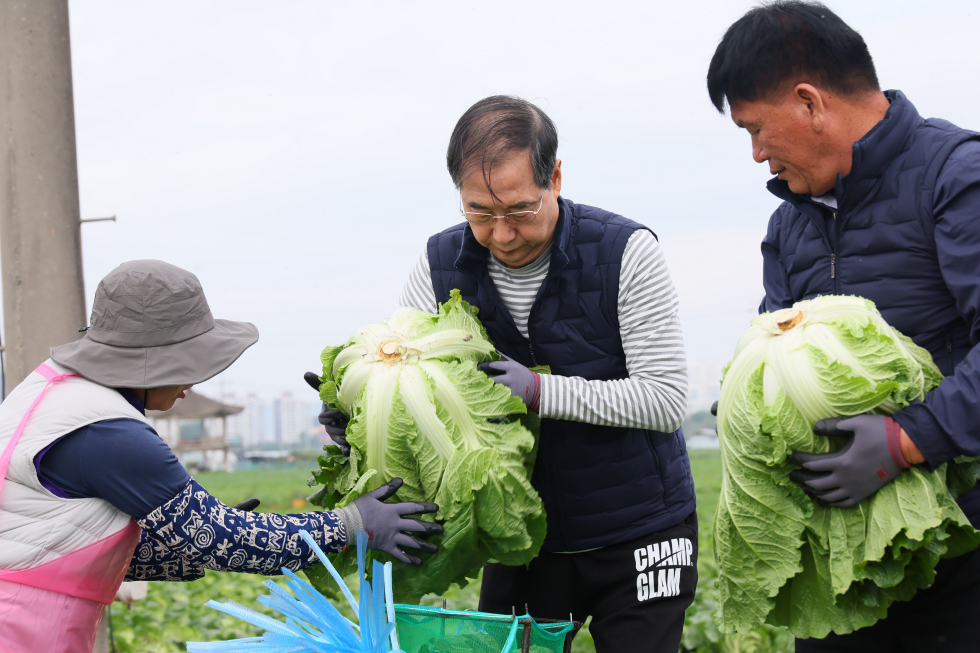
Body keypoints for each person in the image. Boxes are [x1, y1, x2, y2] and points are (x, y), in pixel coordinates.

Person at [316, 96, 697, 652]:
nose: (501, 234)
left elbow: (664, 399)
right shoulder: (440, 261)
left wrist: (540, 390)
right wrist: (355, 409)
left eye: (520, 210)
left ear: (555, 178)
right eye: (479, 213)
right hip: (518, 531)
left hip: (638, 528)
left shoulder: (625, 251)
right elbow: (413, 377)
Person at [707, 2, 980, 650]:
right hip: (838, 570)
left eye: (755, 128)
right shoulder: (789, 225)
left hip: (962, 561)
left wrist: (908, 441)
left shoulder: (955, 176)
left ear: (810, 102)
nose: (755, 155)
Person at [0, 260, 442, 653]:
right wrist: (350, 524)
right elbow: (220, 539)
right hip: (24, 627)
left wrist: (195, 537)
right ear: (151, 360)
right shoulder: (109, 434)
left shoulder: (53, 391)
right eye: (187, 365)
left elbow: (66, 540)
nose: (190, 384)